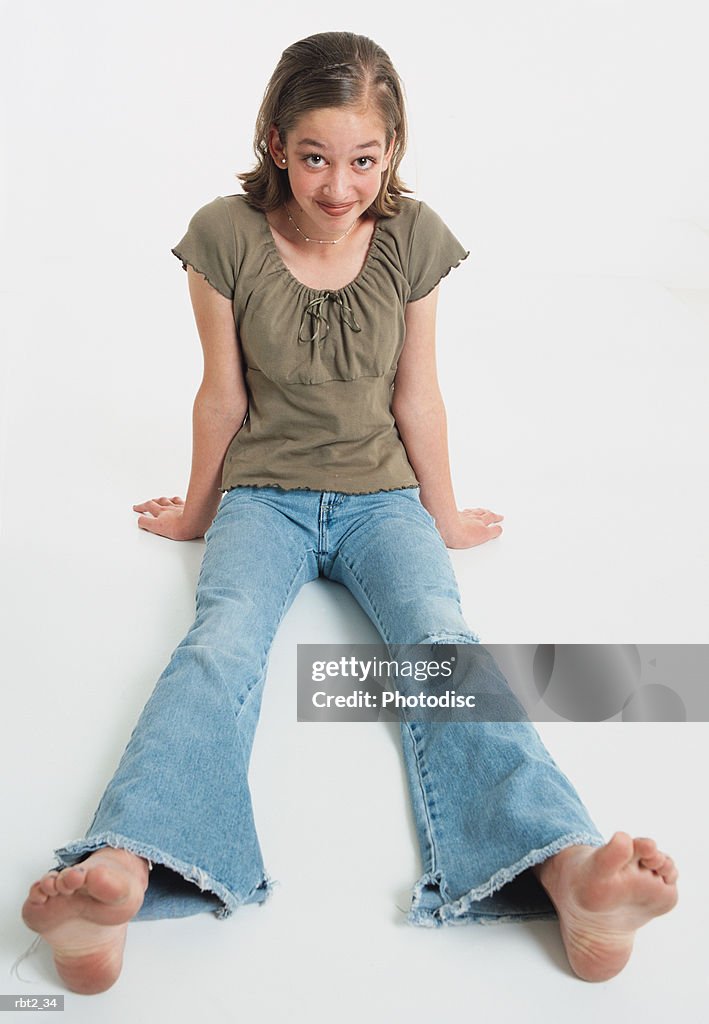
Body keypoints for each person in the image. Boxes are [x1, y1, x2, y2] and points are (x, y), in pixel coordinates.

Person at [20, 31, 678, 995]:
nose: (339, 185)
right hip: (264, 496)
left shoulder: (412, 237)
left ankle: (565, 868)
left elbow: (419, 395)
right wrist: (198, 512)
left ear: (393, 149)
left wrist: (442, 517)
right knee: (221, 641)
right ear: (277, 141)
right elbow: (221, 398)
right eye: (317, 157)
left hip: (383, 501)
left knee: (441, 638)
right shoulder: (224, 236)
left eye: (363, 160)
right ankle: (124, 867)